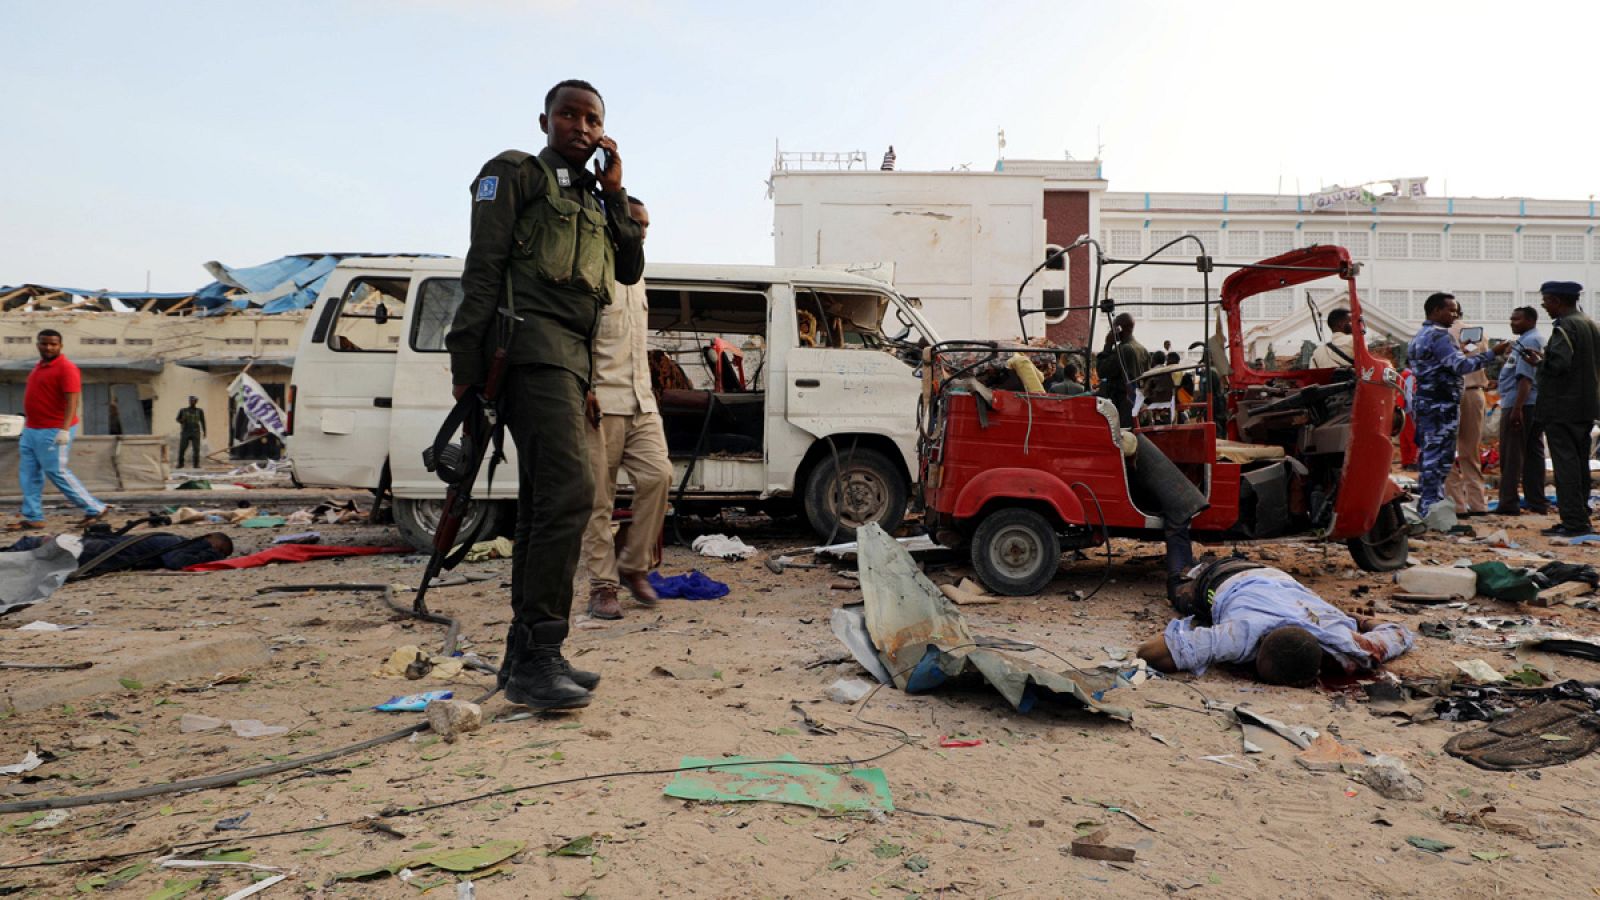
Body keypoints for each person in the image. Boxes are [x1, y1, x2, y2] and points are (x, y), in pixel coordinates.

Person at [446, 79, 645, 710]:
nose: (581, 128)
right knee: (569, 493)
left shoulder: (594, 200)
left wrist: (614, 195)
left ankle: (521, 654)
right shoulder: (515, 174)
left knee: (540, 505)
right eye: (569, 115)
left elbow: (629, 269)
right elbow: (482, 266)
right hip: (525, 351)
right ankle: (540, 656)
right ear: (544, 120)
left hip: (569, 362)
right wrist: (466, 364)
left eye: (593, 120)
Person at [581, 197, 672, 620]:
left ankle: (635, 567)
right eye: (637, 224)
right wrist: (583, 388)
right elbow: (572, 338)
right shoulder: (591, 270)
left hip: (641, 401)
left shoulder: (638, 278)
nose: (644, 232)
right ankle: (603, 586)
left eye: (649, 225)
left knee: (659, 476)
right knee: (599, 501)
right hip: (601, 402)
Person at [1138, 555, 1415, 685]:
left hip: (1276, 576)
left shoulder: (1349, 643)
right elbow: (1147, 653)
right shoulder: (1241, 636)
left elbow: (1401, 632)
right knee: (1182, 593)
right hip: (1221, 578)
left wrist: (1362, 622)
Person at [1406, 293, 1503, 516]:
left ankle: (1431, 507)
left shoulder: (1419, 335)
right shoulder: (1440, 336)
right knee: (1441, 460)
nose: (1454, 315)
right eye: (1450, 310)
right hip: (1442, 404)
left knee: (1430, 457)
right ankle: (1434, 510)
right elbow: (1458, 366)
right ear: (1435, 311)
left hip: (1427, 402)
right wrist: (1491, 354)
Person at [1524, 281, 1600, 536]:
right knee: (1579, 465)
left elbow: (1559, 365)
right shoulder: (1588, 323)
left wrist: (1539, 363)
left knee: (1566, 465)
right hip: (1585, 406)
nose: (1544, 306)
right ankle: (1580, 517)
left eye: (1546, 300)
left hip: (1562, 407)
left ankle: (1573, 522)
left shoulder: (1566, 326)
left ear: (1556, 300)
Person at [10, 330, 106, 531]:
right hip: (32, 429)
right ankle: (33, 516)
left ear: (60, 346)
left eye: (53, 344)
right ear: (38, 344)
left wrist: (64, 429)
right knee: (29, 474)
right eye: (45, 344)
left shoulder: (66, 368)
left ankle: (95, 508)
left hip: (54, 429)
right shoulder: (38, 368)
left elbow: (73, 400)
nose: (49, 347)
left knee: (56, 471)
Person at [1491, 307, 1548, 516]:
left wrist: (1517, 409)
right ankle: (1537, 502)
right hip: (1530, 403)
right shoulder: (1529, 339)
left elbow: (1525, 378)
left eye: (1517, 319)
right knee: (1533, 454)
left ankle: (1508, 503)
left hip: (1520, 403)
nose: (1512, 322)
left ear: (1531, 320)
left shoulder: (1530, 341)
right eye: (1511, 318)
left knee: (1512, 454)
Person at [5, 530, 232, 574]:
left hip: (99, 550)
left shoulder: (173, 540)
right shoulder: (178, 544)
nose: (214, 553)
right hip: (97, 551)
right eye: (218, 550)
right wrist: (211, 555)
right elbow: (175, 562)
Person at [1444, 320, 1492, 517]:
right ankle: (1478, 503)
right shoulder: (1479, 334)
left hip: (1449, 393)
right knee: (1470, 450)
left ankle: (1457, 505)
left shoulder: (1440, 334)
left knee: (1447, 449)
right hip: (1475, 393)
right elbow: (1485, 359)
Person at [1095, 312, 1150, 426]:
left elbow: (1102, 371)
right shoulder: (1143, 350)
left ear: (1120, 329)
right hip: (1139, 404)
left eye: (1114, 328)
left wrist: (1108, 345)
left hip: (1123, 404)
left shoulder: (1123, 350)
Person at [176, 396, 206, 469]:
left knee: (196, 449)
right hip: (185, 431)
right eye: (191, 400)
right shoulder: (183, 410)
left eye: (194, 401)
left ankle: (196, 464)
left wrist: (205, 432)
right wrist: (182, 420)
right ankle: (180, 464)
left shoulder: (199, 411)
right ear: (189, 401)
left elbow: (203, 421)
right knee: (182, 448)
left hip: (196, 432)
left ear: (196, 402)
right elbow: (177, 419)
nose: (192, 402)